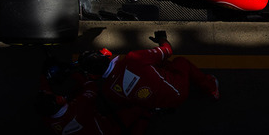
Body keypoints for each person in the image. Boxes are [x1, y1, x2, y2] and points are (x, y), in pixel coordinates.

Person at [79, 31, 220, 112]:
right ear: (105, 55)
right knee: (180, 62)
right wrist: (162, 39)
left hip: (158, 107)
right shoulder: (134, 58)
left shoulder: (108, 91)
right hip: (177, 92)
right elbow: (168, 50)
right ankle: (211, 88)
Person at [36, 70, 153, 135]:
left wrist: (45, 74)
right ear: (58, 103)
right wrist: (74, 73)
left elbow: (45, 92)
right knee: (143, 107)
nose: (59, 96)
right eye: (57, 98)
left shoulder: (47, 118)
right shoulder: (79, 107)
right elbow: (91, 88)